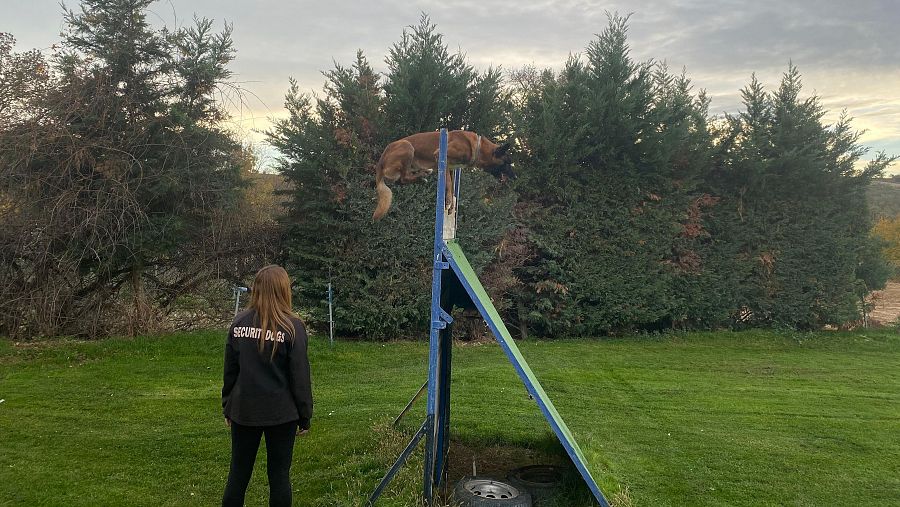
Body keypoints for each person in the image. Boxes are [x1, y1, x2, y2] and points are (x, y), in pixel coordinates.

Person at [221, 265, 313, 507]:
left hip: (244, 410)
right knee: (279, 476)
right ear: (284, 290)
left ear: (256, 289)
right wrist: (305, 416)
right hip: (281, 414)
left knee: (238, 475)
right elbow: (300, 377)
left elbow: (230, 371)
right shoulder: (293, 327)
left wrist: (227, 406)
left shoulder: (238, 323)